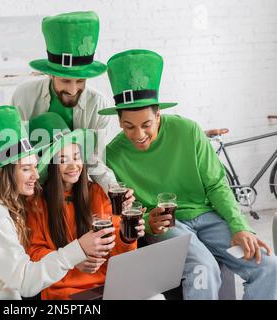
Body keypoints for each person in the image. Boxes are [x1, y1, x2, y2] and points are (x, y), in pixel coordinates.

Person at [100, 49, 277, 299]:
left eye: (146, 124)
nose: (138, 134)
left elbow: (216, 185)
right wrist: (149, 219)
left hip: (208, 218)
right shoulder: (113, 155)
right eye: (129, 126)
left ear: (158, 114)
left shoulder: (188, 131)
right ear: (119, 122)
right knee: (203, 269)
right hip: (168, 227)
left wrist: (240, 226)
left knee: (269, 267)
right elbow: (125, 211)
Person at [0, 105, 115, 300]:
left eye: (35, 166)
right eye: (26, 169)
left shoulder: (8, 206)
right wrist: (79, 249)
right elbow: (26, 283)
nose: (36, 174)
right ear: (5, 174)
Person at [26, 112, 144, 300]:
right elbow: (34, 254)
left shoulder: (97, 193)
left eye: (76, 156)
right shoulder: (36, 204)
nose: (74, 166)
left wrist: (127, 237)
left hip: (106, 288)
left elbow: (117, 254)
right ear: (50, 165)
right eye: (63, 160)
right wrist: (73, 259)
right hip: (64, 293)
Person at [11, 11, 117, 190]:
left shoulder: (98, 105)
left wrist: (113, 189)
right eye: (66, 80)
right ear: (50, 73)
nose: (73, 90)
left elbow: (94, 161)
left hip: (74, 187)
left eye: (80, 81)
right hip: (33, 187)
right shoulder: (24, 96)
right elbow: (16, 154)